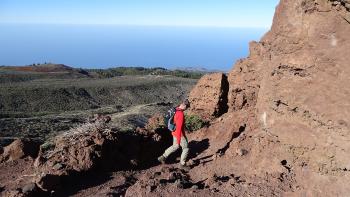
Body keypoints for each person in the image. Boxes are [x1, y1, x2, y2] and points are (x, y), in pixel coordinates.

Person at [158, 99, 191, 170]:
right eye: (187, 107)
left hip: (174, 132)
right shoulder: (180, 114)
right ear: (184, 105)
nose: (186, 109)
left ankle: (163, 157)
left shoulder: (176, 109)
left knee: (175, 146)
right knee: (186, 148)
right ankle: (182, 164)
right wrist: (179, 139)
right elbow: (179, 128)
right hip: (180, 134)